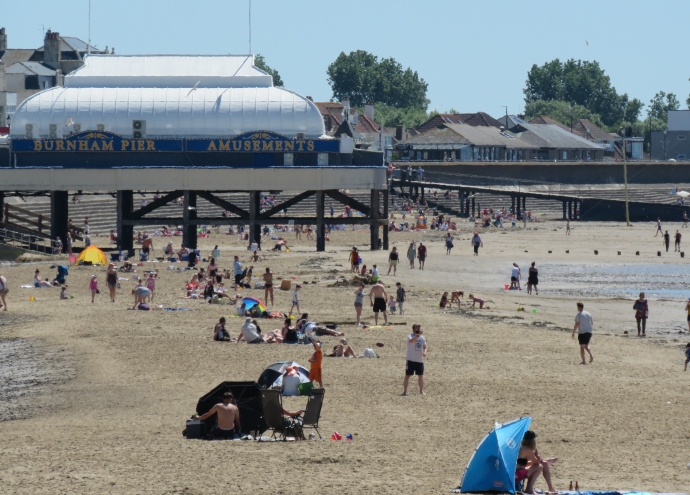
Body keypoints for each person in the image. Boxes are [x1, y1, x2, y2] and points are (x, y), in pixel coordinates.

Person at [402, 323, 427, 396]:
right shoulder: (410, 336)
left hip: (419, 360)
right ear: (413, 329)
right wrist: (418, 335)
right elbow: (412, 341)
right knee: (407, 375)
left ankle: (421, 391)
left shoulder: (422, 338)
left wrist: (425, 352)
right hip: (411, 359)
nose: (418, 329)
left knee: (420, 376)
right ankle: (405, 391)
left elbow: (425, 347)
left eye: (419, 328)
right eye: (417, 328)